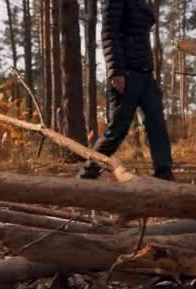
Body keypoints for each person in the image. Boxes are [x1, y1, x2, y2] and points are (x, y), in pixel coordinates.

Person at [77, 0, 174, 181]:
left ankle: (164, 173)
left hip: (145, 72)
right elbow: (109, 33)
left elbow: (144, 23)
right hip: (127, 73)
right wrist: (116, 71)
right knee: (117, 130)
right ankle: (86, 176)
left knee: (157, 123)